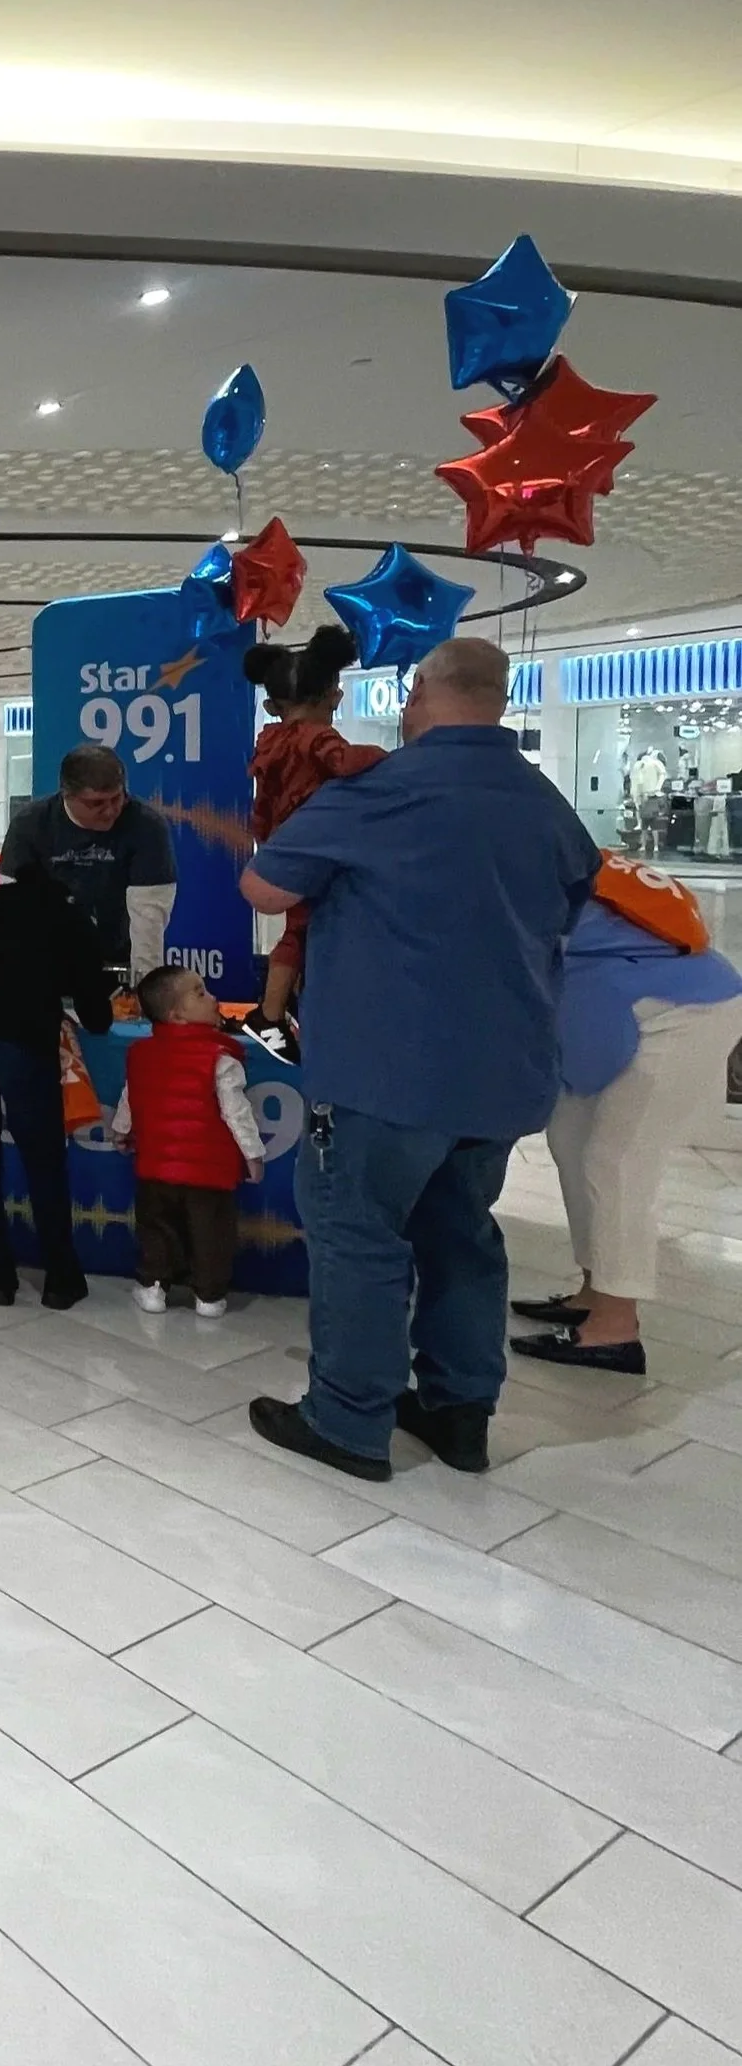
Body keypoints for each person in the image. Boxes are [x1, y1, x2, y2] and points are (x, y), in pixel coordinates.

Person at [239, 638, 598, 1481]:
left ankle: (348, 1419)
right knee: (463, 1237)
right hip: (504, 1077)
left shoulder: (380, 792)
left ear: (418, 697)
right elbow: (573, 903)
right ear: (501, 701)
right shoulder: (549, 807)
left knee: (360, 1238)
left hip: (382, 1073)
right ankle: (459, 1409)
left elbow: (265, 887)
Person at [511, 871, 742, 1375]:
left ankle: (615, 1328)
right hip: (637, 1000)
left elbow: (593, 1044)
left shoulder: (534, 904)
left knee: (617, 1161)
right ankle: (596, 1289)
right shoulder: (546, 872)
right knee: (570, 1137)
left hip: (685, 1012)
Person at [0, 862, 117, 1308]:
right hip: (20, 1045)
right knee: (43, 1162)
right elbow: (97, 1016)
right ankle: (60, 1278)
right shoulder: (70, 917)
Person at [239, 625, 385, 1060]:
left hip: (283, 846)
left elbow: (264, 802)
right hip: (316, 847)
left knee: (298, 926)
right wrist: (386, 757)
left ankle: (280, 1010)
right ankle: (270, 1013)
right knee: (303, 929)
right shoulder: (316, 737)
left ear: (271, 703)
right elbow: (343, 763)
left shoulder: (271, 739)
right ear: (329, 695)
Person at [111, 964, 265, 1319]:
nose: (212, 997)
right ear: (176, 1014)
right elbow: (236, 1113)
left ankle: (152, 1288)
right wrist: (253, 1156)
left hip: (154, 1167)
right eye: (200, 992)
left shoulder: (140, 1054)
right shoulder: (220, 1057)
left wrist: (121, 1132)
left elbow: (130, 1098)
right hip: (209, 1174)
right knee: (211, 1235)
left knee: (156, 1229)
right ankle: (209, 1296)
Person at [0, 742, 176, 981]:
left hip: (119, 959)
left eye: (117, 798)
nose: (111, 810)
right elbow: (9, 910)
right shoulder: (30, 825)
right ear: (67, 795)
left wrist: (146, 988)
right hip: (46, 961)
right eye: (97, 803)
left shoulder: (146, 825)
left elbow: (149, 915)